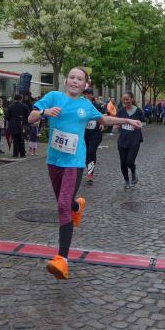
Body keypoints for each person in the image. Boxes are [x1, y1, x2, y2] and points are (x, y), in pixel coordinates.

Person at [29, 67, 143, 281]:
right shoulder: (53, 97)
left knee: (62, 206)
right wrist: (44, 112)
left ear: (85, 85)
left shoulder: (86, 105)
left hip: (74, 162)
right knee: (65, 203)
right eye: (72, 77)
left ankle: (62, 260)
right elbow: (30, 117)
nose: (75, 81)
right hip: (54, 161)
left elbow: (104, 120)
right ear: (66, 81)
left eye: (79, 79)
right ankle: (77, 207)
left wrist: (127, 121)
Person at [117, 91, 145, 189]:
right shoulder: (121, 111)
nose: (125, 101)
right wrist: (117, 126)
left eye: (127, 99)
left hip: (134, 140)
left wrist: (139, 125)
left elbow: (144, 122)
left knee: (129, 161)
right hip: (122, 141)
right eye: (124, 99)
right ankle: (126, 181)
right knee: (123, 163)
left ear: (132, 99)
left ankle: (133, 172)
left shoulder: (138, 111)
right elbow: (117, 122)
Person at [83, 88, 104, 184]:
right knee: (85, 153)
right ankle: (88, 169)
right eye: (85, 94)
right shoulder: (81, 106)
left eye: (88, 94)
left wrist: (102, 123)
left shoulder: (97, 106)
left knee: (91, 151)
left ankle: (90, 173)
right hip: (84, 132)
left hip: (95, 133)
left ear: (92, 95)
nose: (86, 96)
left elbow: (103, 116)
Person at [6, 94, 30, 158]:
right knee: (21, 140)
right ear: (21, 99)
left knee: (15, 140)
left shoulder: (10, 106)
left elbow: (7, 116)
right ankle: (22, 154)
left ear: (14, 99)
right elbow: (28, 115)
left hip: (13, 126)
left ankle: (15, 154)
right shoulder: (24, 106)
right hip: (22, 125)